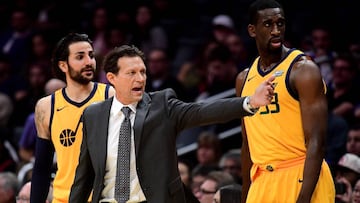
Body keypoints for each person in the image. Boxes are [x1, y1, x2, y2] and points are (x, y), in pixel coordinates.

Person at [69, 44, 275, 203]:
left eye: (143, 72)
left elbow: (203, 111)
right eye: (131, 73)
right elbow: (84, 176)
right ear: (112, 78)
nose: (140, 79)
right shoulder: (93, 115)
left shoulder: (162, 105)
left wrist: (249, 102)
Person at [235, 0, 335, 202]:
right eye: (268, 24)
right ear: (252, 30)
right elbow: (247, 145)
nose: (275, 30)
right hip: (262, 180)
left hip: (301, 175)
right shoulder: (244, 79)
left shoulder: (304, 70)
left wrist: (304, 198)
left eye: (280, 24)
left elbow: (316, 140)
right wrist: (245, 193)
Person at [30, 33, 115, 203]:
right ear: (63, 65)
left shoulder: (111, 96)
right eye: (80, 57)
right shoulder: (47, 106)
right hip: (64, 199)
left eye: (91, 55)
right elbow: (41, 168)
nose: (89, 62)